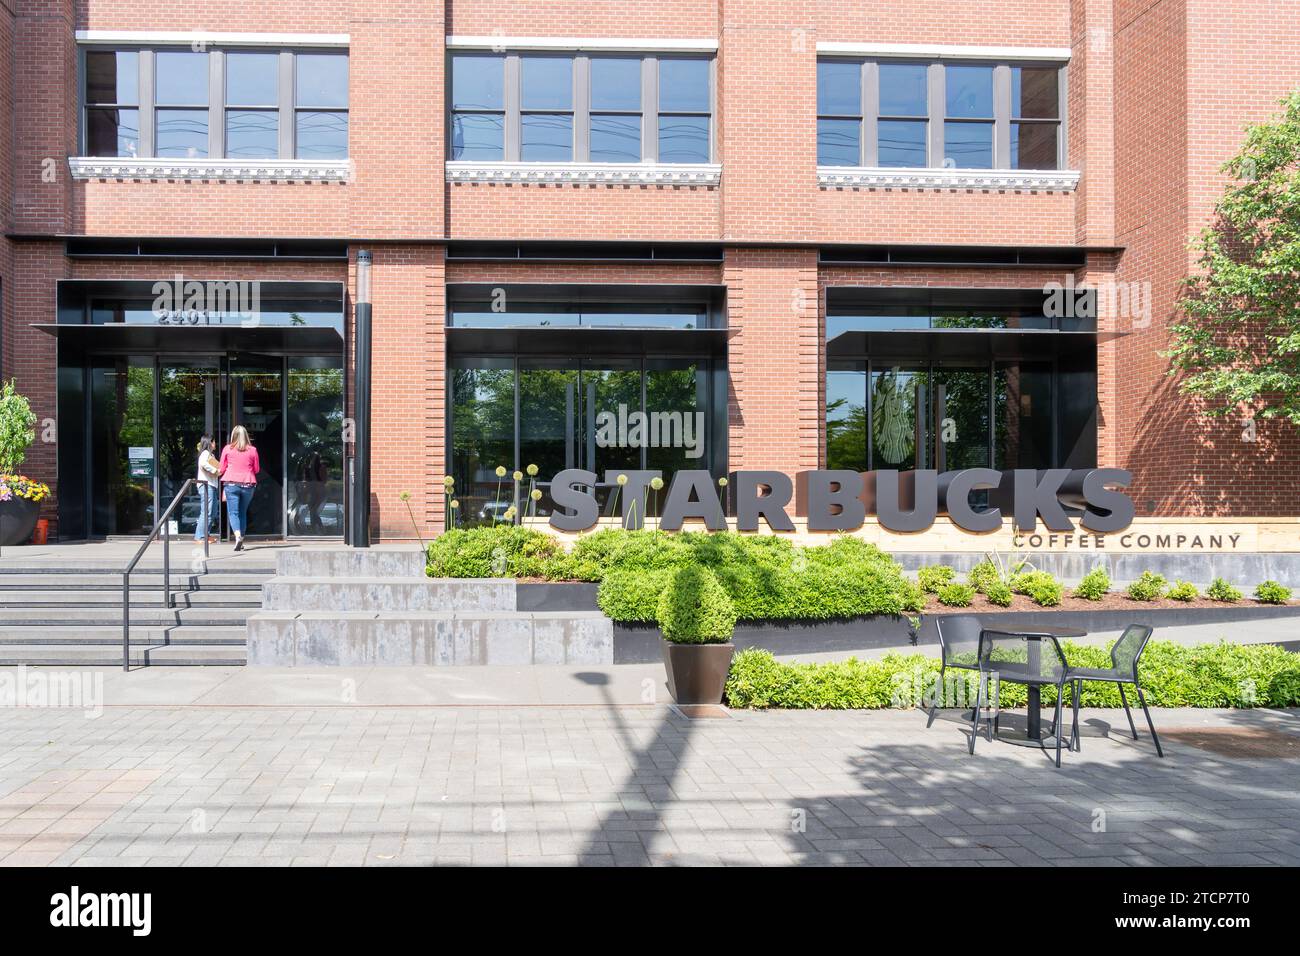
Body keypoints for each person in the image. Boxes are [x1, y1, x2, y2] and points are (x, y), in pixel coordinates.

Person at [219, 425, 260, 551]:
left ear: (233, 436)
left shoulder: (227, 449)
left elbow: (221, 468)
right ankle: (241, 539)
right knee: (242, 512)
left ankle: (237, 536)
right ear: (246, 435)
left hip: (231, 484)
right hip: (248, 484)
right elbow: (257, 469)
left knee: (233, 512)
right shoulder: (253, 450)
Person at [194, 435, 220, 543]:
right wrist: (215, 470)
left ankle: (206, 535)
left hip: (211, 486)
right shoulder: (205, 454)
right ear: (209, 443)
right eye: (214, 442)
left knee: (212, 511)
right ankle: (200, 537)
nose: (215, 444)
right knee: (207, 511)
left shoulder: (210, 455)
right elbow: (203, 464)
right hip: (206, 485)